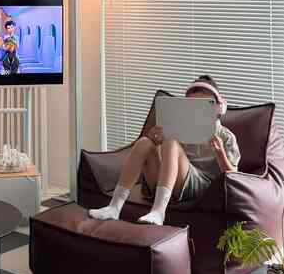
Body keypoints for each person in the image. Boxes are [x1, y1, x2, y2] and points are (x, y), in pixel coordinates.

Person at [89, 75, 241, 225]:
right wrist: (155, 139)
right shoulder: (179, 127)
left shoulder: (226, 137)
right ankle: (114, 207)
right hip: (171, 181)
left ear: (219, 108)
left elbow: (235, 178)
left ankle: (159, 211)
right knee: (144, 143)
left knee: (171, 142)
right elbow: (161, 152)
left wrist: (220, 153)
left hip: (200, 187)